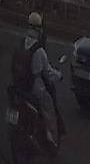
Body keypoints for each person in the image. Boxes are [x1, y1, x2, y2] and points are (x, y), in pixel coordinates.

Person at [19, 12, 61, 146]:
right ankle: (50, 137)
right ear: (39, 29)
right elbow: (47, 72)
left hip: (19, 84)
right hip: (34, 87)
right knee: (49, 108)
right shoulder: (39, 50)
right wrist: (59, 75)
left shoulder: (21, 43)